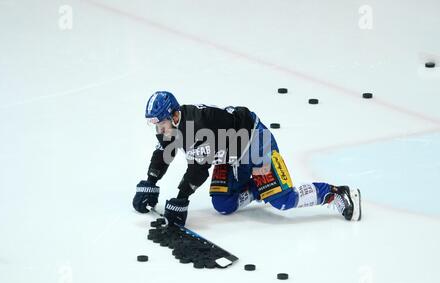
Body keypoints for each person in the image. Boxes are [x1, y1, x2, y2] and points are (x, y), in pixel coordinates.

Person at [133, 91, 361, 226]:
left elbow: (198, 170)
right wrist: (150, 183)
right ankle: (258, 188)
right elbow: (163, 153)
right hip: (230, 155)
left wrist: (181, 198)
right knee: (223, 205)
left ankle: (334, 193)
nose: (159, 130)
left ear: (174, 116)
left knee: (283, 201)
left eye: (160, 124)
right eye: (154, 125)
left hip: (255, 143)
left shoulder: (198, 126)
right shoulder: (170, 127)